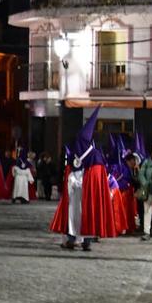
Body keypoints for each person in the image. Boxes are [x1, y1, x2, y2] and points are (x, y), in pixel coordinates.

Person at [49, 106, 116, 250]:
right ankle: (73, 240)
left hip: (86, 194)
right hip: (75, 194)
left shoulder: (95, 157)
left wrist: (78, 181)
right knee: (74, 215)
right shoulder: (76, 155)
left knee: (87, 214)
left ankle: (86, 241)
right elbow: (69, 171)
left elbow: (95, 178)